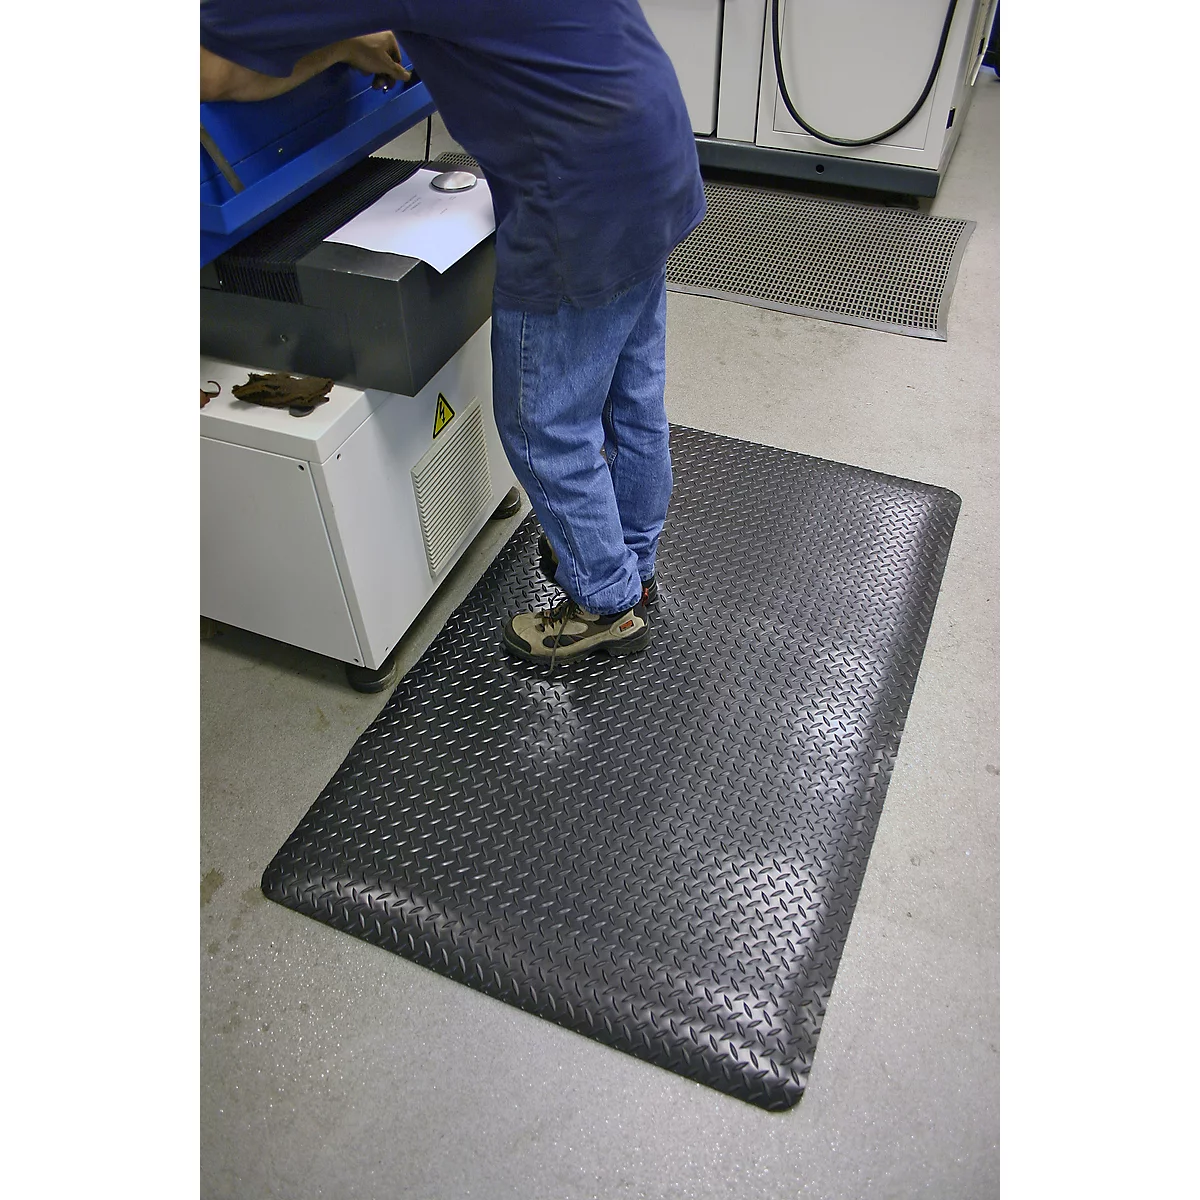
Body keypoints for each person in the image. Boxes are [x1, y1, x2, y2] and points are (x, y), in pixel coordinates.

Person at [201, 3, 705, 666]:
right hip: (651, 158)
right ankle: (632, 563)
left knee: (541, 426)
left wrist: (336, 48)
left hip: (574, 202)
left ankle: (604, 602)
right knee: (631, 395)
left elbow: (210, 71)